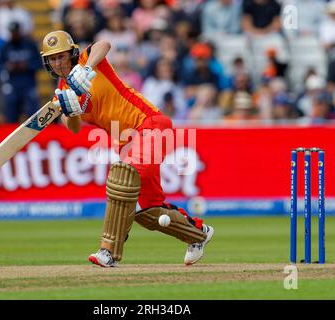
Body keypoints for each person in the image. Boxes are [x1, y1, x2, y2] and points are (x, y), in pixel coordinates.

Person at [40, 30, 214, 267]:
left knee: (121, 178)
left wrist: (87, 69)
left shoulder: (86, 60)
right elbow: (72, 128)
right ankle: (198, 233)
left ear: (71, 54)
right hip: (126, 142)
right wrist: (71, 111)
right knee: (152, 212)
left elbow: (103, 44)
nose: (58, 62)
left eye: (61, 56)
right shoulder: (63, 91)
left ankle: (108, 251)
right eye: (52, 58)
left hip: (149, 123)